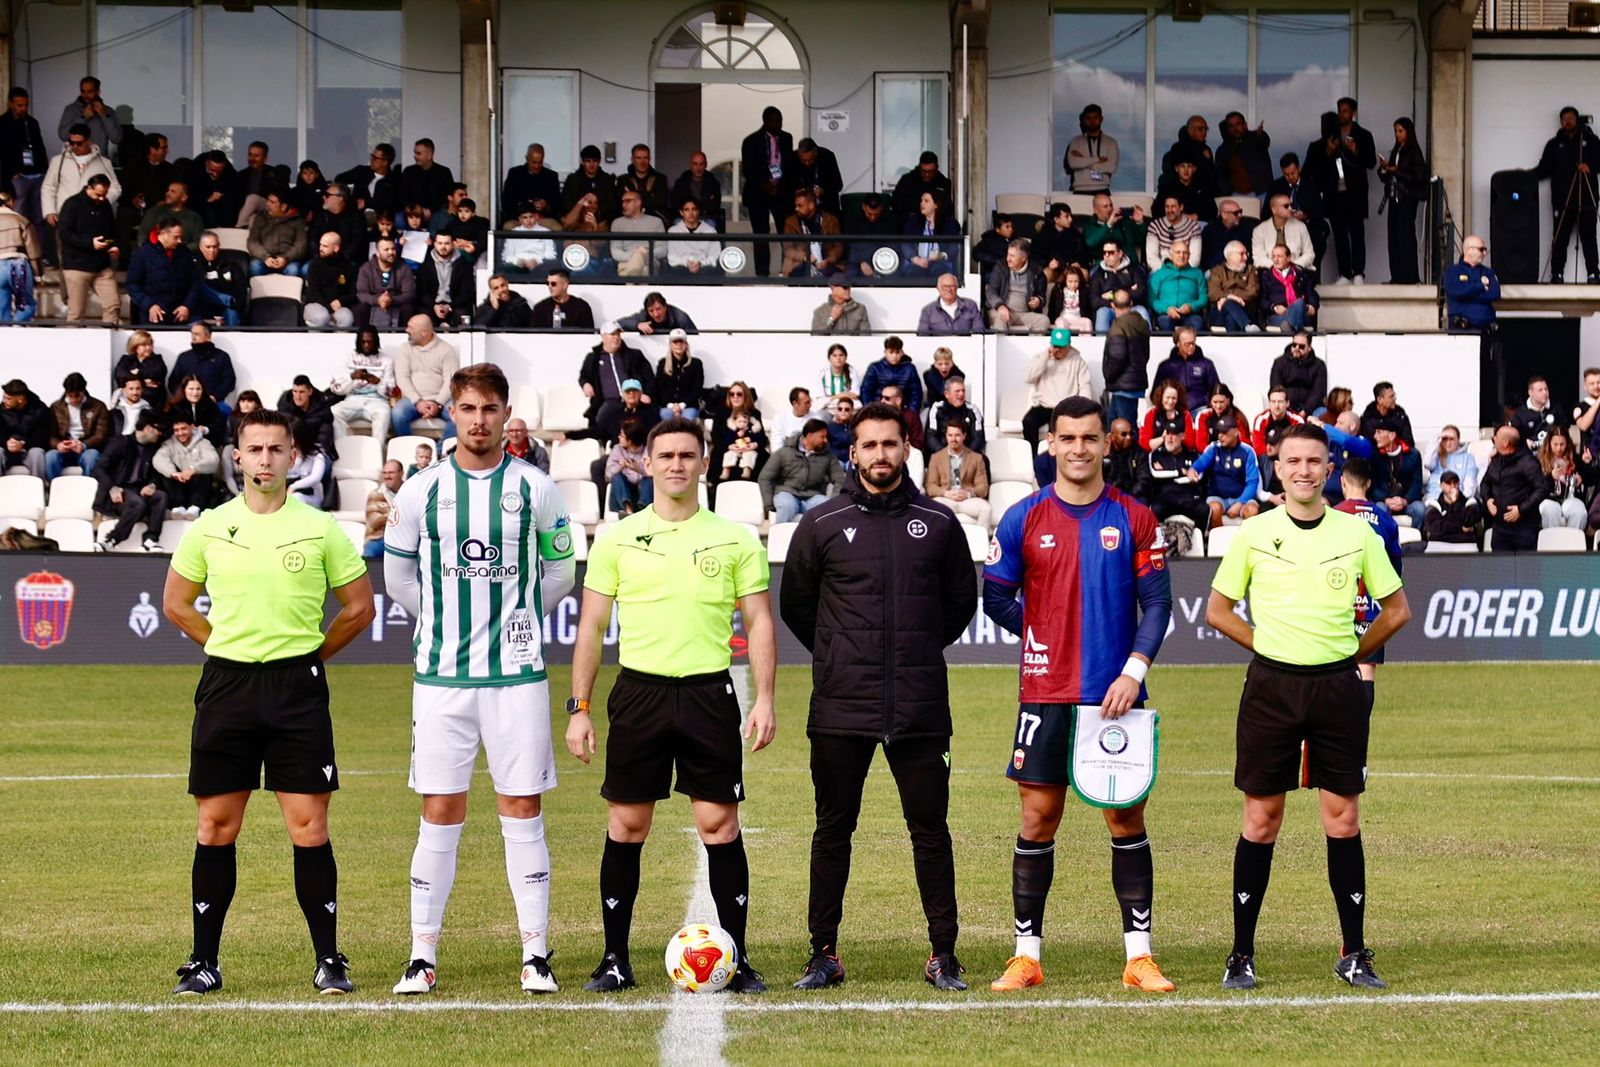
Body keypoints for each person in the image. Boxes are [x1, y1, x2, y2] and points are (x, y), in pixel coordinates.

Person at [161, 407, 374, 996]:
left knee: (308, 827)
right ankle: (205, 962)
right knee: (215, 825)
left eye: (275, 450)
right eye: (254, 450)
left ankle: (329, 960)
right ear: (237, 456)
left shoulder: (320, 527)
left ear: (292, 457)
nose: (264, 460)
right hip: (228, 687)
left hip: (296, 691)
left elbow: (360, 608)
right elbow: (177, 602)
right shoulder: (210, 526)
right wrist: (225, 646)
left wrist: (310, 657)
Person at [381, 363, 575, 996]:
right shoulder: (420, 492)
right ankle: (421, 954)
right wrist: (443, 620)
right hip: (441, 677)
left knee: (522, 806)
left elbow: (561, 572)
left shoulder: (536, 488)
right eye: (468, 408)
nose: (479, 420)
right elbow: (399, 581)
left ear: (506, 414)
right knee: (440, 809)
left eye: (490, 409)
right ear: (452, 414)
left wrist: (517, 618)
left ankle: (536, 954)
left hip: (516, 676)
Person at [566, 417, 777, 994]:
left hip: (710, 695)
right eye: (666, 456)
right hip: (639, 694)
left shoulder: (735, 538)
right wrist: (579, 706)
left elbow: (759, 622)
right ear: (648, 463)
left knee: (719, 825)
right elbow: (591, 626)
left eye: (688, 455)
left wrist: (764, 700)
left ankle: (736, 962)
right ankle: (614, 959)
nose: (677, 464)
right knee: (627, 824)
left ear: (704, 463)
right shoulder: (616, 538)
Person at [1205, 421, 1410, 992]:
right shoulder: (1253, 533)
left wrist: (1352, 653)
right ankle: (1241, 953)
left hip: (1337, 691)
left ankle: (1354, 952)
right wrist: (1265, 645)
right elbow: (1219, 610)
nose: (1302, 470)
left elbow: (1395, 611)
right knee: (1260, 820)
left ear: (1328, 469)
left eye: (1313, 462)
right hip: (1272, 689)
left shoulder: (1356, 533)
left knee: (1342, 819)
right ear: (1278, 467)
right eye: (1292, 461)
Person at [781, 401, 976, 991]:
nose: (880, 455)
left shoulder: (938, 522)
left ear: (906, 450)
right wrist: (843, 654)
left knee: (931, 832)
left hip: (919, 707)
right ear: (853, 452)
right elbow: (797, 607)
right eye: (869, 445)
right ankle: (823, 953)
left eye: (890, 444)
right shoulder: (820, 524)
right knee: (832, 830)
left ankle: (944, 954)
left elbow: (958, 605)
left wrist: (912, 650)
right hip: (841, 705)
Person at [983, 395, 1175, 995]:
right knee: (1039, 818)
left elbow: (1158, 604)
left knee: (1125, 816)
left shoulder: (1136, 518)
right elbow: (995, 595)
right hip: (1045, 694)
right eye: (1068, 439)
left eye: (1089, 438)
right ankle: (1026, 956)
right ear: (1052, 445)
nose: (1079, 449)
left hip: (1113, 699)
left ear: (1104, 443)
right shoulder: (1022, 518)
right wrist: (1040, 633)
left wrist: (1133, 672)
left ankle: (1139, 956)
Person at [1332, 455, 1404, 714]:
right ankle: (1358, 732)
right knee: (1366, 671)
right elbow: (1395, 567)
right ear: (1369, 483)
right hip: (1371, 609)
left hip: (1337, 607)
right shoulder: (1384, 520)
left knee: (1332, 672)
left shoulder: (1333, 516)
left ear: (1343, 483)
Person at [1310, 101, 1377, 284]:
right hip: (1335, 194)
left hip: (1355, 194)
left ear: (1353, 112)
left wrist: (1356, 150)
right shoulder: (1331, 135)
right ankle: (1345, 273)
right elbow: (1317, 168)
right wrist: (1328, 152)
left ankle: (1358, 273)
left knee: (1356, 234)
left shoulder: (1363, 135)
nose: (1341, 114)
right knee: (1339, 235)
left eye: (1345, 111)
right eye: (1340, 111)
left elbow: (1371, 162)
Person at [1534, 106, 1600, 283]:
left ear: (1576, 120)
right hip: (1562, 200)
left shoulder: (1592, 140)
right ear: (1561, 122)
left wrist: (1590, 167)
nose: (1568, 121)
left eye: (1571, 118)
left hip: (1587, 199)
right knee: (1560, 238)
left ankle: (1594, 274)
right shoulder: (1554, 144)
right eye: (1564, 119)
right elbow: (1543, 169)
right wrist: (1524, 176)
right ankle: (1557, 274)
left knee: (1589, 238)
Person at [91, 411, 165, 550]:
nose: (160, 433)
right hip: (117, 492)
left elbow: (158, 473)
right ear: (148, 428)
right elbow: (98, 469)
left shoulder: (154, 448)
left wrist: (152, 485)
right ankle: (111, 539)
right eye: (158, 430)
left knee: (160, 496)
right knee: (137, 503)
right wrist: (112, 488)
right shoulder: (120, 443)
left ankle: (150, 540)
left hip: (139, 491)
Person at [57, 172, 121, 323]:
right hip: (77, 265)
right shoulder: (72, 204)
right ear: (88, 188)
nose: (101, 198)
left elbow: (112, 230)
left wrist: (113, 245)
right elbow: (64, 233)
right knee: (76, 313)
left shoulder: (105, 205)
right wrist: (90, 243)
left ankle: (109, 337)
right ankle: (73, 344)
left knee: (113, 304)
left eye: (104, 195)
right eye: (98, 194)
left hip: (101, 266)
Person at [759, 419, 844, 523]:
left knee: (827, 507)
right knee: (786, 506)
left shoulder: (828, 455)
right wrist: (769, 505)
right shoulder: (785, 452)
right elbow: (765, 477)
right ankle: (780, 537)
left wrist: (834, 501)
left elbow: (839, 478)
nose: (825, 440)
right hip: (787, 493)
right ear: (810, 436)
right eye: (822, 436)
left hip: (812, 496)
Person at [741, 107, 794, 276]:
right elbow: (748, 170)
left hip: (781, 193)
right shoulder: (751, 141)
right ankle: (762, 273)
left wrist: (780, 185)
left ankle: (786, 271)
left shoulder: (787, 138)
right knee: (761, 235)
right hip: (758, 194)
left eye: (780, 120)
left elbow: (788, 166)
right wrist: (765, 184)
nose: (778, 124)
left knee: (785, 234)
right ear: (765, 121)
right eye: (774, 120)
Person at [1479, 425, 1548, 552]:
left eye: (1496, 436)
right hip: (1500, 527)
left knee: (1524, 568)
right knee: (1501, 568)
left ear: (1505, 442)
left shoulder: (1528, 463)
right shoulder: (1496, 461)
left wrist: (1521, 509)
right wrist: (1487, 500)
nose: (1493, 438)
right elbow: (1485, 484)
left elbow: (1541, 489)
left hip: (1524, 527)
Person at [579, 323, 654, 439]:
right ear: (603, 336)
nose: (616, 337)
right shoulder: (593, 358)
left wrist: (647, 394)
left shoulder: (634, 355)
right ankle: (607, 446)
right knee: (604, 415)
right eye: (612, 334)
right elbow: (583, 376)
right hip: (609, 402)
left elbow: (649, 377)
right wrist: (585, 384)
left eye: (618, 334)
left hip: (634, 399)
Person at [1377, 117, 1429, 284]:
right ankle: (1397, 276)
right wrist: (1384, 169)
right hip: (1393, 197)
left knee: (1406, 237)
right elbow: (1387, 176)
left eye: (1400, 131)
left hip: (1406, 198)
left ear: (1408, 132)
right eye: (1395, 131)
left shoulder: (1414, 150)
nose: (1397, 135)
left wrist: (1396, 171)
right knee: (1393, 238)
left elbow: (1419, 176)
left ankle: (1410, 276)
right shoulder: (1396, 149)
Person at [1022, 327, 1094, 445]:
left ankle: (1055, 460)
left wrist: (1083, 410)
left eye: (1061, 347)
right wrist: (1045, 359)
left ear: (1069, 346)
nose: (1057, 349)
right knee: (1028, 422)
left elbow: (1085, 387)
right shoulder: (1041, 358)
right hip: (1043, 405)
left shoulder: (1078, 361)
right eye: (1055, 345)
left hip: (1066, 407)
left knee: (1056, 430)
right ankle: (1033, 457)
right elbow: (1028, 378)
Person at [393, 314, 459, 439]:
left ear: (424, 332)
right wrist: (418, 401)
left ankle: (440, 453)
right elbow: (402, 378)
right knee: (397, 414)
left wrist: (438, 404)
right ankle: (412, 450)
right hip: (412, 401)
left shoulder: (446, 349)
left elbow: (450, 381)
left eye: (410, 328)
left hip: (442, 401)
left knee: (459, 416)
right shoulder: (405, 349)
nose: (407, 330)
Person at [1191, 415, 1261, 528]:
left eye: (1224, 432)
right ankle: (1218, 542)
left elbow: (1252, 483)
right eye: (1219, 432)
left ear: (1236, 432)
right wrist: (1193, 470)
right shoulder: (1213, 448)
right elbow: (1200, 464)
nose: (1220, 436)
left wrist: (1240, 503)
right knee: (1214, 509)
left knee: (1252, 510)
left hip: (1241, 497)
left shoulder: (1247, 451)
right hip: (1217, 497)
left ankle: (1246, 543)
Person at [330, 326, 395, 447]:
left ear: (376, 342)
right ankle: (343, 449)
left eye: (370, 342)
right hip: (353, 398)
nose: (366, 345)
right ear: (358, 342)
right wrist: (352, 377)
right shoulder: (348, 357)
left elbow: (391, 392)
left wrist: (378, 382)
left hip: (377, 400)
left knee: (383, 414)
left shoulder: (386, 360)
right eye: (363, 342)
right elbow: (335, 388)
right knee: (334, 412)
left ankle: (376, 455)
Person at [1267, 153, 1329, 279]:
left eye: (1293, 173)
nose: (1290, 177)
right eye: (1286, 174)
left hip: (1308, 225)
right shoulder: (1276, 186)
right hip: (1283, 228)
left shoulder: (1311, 185)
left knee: (1317, 238)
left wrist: (1305, 215)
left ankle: (1313, 280)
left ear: (1299, 168)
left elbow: (1320, 210)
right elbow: (1266, 213)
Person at [0, 88, 50, 232]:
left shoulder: (32, 122)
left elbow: (40, 147)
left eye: (26, 105)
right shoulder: (3, 123)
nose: (23, 108)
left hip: (36, 174)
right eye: (19, 105)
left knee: (38, 217)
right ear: (11, 104)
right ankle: (20, 251)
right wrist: (11, 174)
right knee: (18, 216)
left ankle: (39, 251)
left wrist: (44, 171)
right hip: (17, 176)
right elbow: (3, 153)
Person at [925, 421, 991, 526]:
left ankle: (981, 541)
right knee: (932, 506)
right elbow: (930, 486)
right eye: (950, 435)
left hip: (967, 499)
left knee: (986, 509)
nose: (953, 439)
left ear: (964, 436)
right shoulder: (936, 457)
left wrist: (968, 493)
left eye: (957, 435)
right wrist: (945, 493)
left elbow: (983, 487)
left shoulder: (976, 458)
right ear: (946, 436)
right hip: (946, 498)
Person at [154, 412, 220, 517]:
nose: (180, 433)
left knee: (205, 471)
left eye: (183, 428)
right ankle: (177, 506)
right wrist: (174, 473)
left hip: (197, 487)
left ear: (192, 427)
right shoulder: (169, 444)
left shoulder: (203, 443)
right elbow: (158, 459)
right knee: (167, 472)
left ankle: (195, 507)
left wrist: (194, 469)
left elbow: (213, 459)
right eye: (176, 430)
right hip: (178, 486)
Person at [45, 371, 109, 480]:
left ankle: (89, 491)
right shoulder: (56, 407)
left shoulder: (98, 406)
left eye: (77, 396)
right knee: (51, 456)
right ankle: (54, 489)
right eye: (70, 396)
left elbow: (100, 434)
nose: (74, 399)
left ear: (83, 391)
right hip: (64, 447)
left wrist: (84, 445)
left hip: (86, 448)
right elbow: (49, 433)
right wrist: (58, 445)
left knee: (92, 457)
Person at [167, 323, 236, 412]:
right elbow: (173, 381)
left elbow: (229, 380)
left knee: (226, 412)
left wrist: (215, 396)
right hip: (186, 404)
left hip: (213, 403)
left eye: (197, 334)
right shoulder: (184, 357)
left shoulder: (221, 357)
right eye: (192, 334)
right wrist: (183, 397)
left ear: (208, 336)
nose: (193, 337)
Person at [1150, 327, 1219, 414]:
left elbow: (1216, 390)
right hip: (1173, 409)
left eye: (1193, 343)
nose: (1191, 346)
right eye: (1187, 344)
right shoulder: (1166, 366)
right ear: (1178, 344)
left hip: (1200, 408)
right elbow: (1155, 393)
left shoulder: (1206, 364)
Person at [985, 239, 1049, 332]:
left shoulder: (1036, 272)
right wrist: (1000, 306)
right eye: (1008, 254)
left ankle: (1030, 346)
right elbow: (991, 292)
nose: (1008, 259)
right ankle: (1003, 347)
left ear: (1023, 257)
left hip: (1025, 314)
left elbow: (1041, 296)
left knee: (1044, 321)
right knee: (999, 319)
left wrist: (1038, 301)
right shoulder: (1000, 267)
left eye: (1012, 256)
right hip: (1000, 311)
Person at [356, 235, 417, 329]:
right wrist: (378, 300)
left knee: (408, 308)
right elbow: (361, 293)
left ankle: (402, 336)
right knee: (361, 308)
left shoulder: (404, 268)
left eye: (393, 249)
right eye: (386, 249)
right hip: (374, 303)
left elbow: (409, 294)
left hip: (397, 303)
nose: (391, 252)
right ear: (377, 252)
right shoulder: (366, 269)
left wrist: (392, 300)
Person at [783, 188, 846, 277]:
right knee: (798, 273)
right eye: (796, 205)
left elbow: (838, 246)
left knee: (833, 274)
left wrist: (828, 260)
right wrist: (805, 257)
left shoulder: (830, 221)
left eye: (800, 205)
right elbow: (788, 248)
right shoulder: (791, 222)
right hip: (800, 263)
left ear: (811, 205)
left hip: (827, 264)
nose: (796, 208)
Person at [1087, 241, 1149, 332]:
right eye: (1104, 253)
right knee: (1102, 313)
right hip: (1110, 308)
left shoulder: (1134, 269)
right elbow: (1094, 301)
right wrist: (1128, 292)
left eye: (1111, 252)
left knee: (1142, 311)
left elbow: (1141, 294)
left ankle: (1149, 345)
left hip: (1131, 307)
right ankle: (1102, 345)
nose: (1106, 256)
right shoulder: (1098, 274)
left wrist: (1111, 296)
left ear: (1120, 253)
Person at [0, 188, 41, 322]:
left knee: (2, 308)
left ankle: (5, 335)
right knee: (27, 305)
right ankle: (17, 328)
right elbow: (33, 251)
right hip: (17, 265)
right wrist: (38, 275)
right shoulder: (22, 220)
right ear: (11, 202)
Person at [1258, 244, 1320, 332]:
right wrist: (1274, 307)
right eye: (1273, 256)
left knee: (1299, 303)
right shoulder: (1267, 276)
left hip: (1301, 312)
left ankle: (1289, 326)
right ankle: (1292, 328)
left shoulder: (1300, 274)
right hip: (1278, 317)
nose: (1276, 260)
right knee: (1293, 318)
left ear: (1288, 258)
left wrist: (1313, 306)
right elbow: (1261, 299)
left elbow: (1312, 294)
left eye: (1279, 256)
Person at [416, 232, 473, 327]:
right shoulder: (425, 263)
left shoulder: (463, 263)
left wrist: (450, 306)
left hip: (455, 305)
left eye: (447, 243)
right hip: (432, 305)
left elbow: (466, 291)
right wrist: (434, 306)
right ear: (434, 244)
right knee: (423, 318)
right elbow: (421, 292)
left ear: (453, 244)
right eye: (440, 243)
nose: (443, 247)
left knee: (463, 315)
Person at [1537, 430, 1591, 529]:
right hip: (1548, 499)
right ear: (1549, 443)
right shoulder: (1540, 460)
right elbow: (1536, 486)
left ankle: (1574, 542)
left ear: (1567, 443)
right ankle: (1552, 542)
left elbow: (1591, 480)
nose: (1559, 448)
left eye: (1562, 444)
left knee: (1579, 512)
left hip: (1572, 498)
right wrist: (1551, 477)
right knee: (1549, 510)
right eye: (1555, 444)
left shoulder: (1575, 458)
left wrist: (1585, 467)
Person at [301, 232, 356, 330]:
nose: (320, 248)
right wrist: (329, 307)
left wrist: (341, 301)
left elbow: (353, 292)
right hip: (316, 304)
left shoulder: (348, 267)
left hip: (338, 307)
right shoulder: (314, 265)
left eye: (325, 246)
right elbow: (312, 293)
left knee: (346, 318)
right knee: (322, 317)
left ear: (336, 248)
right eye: (320, 245)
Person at [1148, 241, 1206, 332]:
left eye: (1185, 253)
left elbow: (1204, 298)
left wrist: (1191, 307)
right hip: (1166, 314)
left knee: (1197, 323)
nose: (1181, 256)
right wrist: (1167, 309)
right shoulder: (1159, 274)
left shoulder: (1197, 273)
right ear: (1171, 255)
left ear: (1189, 255)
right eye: (1178, 252)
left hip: (1191, 314)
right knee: (1165, 323)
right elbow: (1151, 299)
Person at [193, 230, 248, 326]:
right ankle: (228, 300)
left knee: (233, 312)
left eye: (215, 247)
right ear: (200, 247)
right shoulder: (192, 265)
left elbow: (241, 287)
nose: (212, 250)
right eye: (208, 247)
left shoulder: (230, 264)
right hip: (201, 306)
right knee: (198, 286)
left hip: (226, 308)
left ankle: (233, 338)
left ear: (219, 246)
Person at [1444, 235, 1499, 330]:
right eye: (1481, 249)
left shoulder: (1488, 272)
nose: (1485, 253)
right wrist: (1481, 286)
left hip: (1486, 327)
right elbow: (1458, 292)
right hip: (1462, 327)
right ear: (1469, 250)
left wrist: (1467, 294)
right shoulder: (1452, 271)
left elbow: (1494, 294)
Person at [610, 188, 666, 277]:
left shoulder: (656, 221)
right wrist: (636, 254)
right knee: (644, 272)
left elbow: (662, 249)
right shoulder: (617, 223)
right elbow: (615, 251)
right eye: (623, 202)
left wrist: (645, 254)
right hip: (626, 263)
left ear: (638, 202)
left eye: (628, 201)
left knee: (640, 269)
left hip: (649, 262)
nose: (624, 205)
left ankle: (630, 284)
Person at [1250, 194, 1316, 270]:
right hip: (1270, 274)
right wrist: (1277, 267)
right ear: (1274, 209)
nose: (1291, 208)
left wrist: (1292, 267)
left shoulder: (1301, 226)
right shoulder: (1259, 230)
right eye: (1286, 206)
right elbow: (1258, 258)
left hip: (1297, 271)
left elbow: (1310, 254)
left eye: (1291, 205)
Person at [1269, 332, 1327, 417]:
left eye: (1301, 346)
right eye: (1294, 345)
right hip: (1286, 407)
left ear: (1309, 348)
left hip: (1311, 409)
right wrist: (1288, 409)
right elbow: (1276, 388)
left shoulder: (1319, 365)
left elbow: (1318, 393)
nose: (1296, 348)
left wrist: (1305, 411)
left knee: (1323, 413)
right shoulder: (1280, 363)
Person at [1208, 241, 1260, 334]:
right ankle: (1246, 326)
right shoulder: (1217, 271)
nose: (1246, 257)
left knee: (1231, 317)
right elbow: (1213, 293)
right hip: (1220, 313)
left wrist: (1226, 297)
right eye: (1241, 254)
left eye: (1246, 253)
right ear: (1230, 256)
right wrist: (1230, 297)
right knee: (1229, 306)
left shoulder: (1251, 270)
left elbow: (1252, 292)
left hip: (1245, 309)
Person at [605, 418, 654, 516]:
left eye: (622, 435)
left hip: (642, 495)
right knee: (617, 477)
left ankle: (644, 510)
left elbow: (655, 473)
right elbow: (607, 476)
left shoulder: (648, 450)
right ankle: (628, 511)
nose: (619, 437)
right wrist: (620, 466)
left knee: (648, 479)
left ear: (630, 440)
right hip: (620, 501)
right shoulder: (617, 449)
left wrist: (638, 469)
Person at [1216, 112, 1272, 196]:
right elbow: (1220, 175)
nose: (1235, 128)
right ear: (1227, 129)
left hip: (1261, 193)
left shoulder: (1255, 138)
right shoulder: (1223, 150)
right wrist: (1228, 192)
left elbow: (1264, 142)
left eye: (1238, 124)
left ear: (1245, 125)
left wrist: (1261, 135)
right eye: (1231, 126)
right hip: (1236, 195)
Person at [1065, 104, 1119, 193]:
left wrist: (1084, 161)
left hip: (1102, 189)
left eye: (1095, 118)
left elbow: (1111, 167)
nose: (1092, 121)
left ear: (1101, 119)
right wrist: (1097, 159)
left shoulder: (1111, 142)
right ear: (1084, 120)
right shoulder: (1076, 141)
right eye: (1088, 118)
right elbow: (1073, 163)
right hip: (1080, 189)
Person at [664, 196, 722, 276]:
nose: (691, 213)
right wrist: (687, 263)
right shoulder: (673, 231)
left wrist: (701, 263)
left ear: (698, 211)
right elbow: (672, 257)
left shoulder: (710, 231)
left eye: (694, 209)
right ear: (681, 212)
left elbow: (715, 256)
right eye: (686, 210)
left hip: (704, 269)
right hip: (680, 270)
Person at [861, 336, 922, 410]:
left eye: (897, 352)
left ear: (902, 352)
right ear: (885, 352)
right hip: (879, 409)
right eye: (891, 352)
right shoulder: (875, 368)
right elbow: (866, 391)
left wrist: (911, 413)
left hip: (902, 410)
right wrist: (871, 410)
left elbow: (916, 394)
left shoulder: (910, 368)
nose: (894, 356)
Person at [503, 143, 561, 221]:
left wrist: (546, 206)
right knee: (508, 228)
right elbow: (506, 202)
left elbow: (557, 204)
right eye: (533, 162)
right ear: (527, 159)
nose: (536, 166)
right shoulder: (515, 174)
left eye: (539, 162)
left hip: (543, 219)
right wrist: (527, 205)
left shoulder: (551, 176)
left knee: (557, 229)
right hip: (518, 219)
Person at [655, 330, 703, 421]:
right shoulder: (663, 364)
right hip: (667, 406)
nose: (678, 345)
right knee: (664, 415)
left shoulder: (696, 364)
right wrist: (671, 406)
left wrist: (682, 405)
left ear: (686, 344)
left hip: (689, 405)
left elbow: (697, 388)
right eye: (675, 342)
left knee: (688, 418)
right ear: (671, 345)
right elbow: (660, 388)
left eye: (681, 341)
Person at [399, 138, 455, 218]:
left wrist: (430, 211)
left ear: (429, 155)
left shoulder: (443, 172)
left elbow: (446, 198)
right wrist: (415, 210)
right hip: (411, 213)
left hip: (436, 213)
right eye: (414, 153)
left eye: (418, 153)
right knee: (399, 219)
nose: (415, 156)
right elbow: (402, 196)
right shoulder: (409, 171)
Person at [892, 151, 952, 225]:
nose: (927, 174)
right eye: (924, 171)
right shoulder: (907, 181)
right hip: (910, 225)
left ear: (936, 168)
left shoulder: (943, 183)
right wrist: (908, 215)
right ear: (920, 167)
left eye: (930, 171)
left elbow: (947, 206)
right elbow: (897, 201)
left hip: (936, 225)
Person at [561, 144, 618, 222]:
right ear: (583, 162)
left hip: (600, 221)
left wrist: (596, 210)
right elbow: (566, 205)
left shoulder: (607, 179)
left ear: (599, 161)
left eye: (595, 161)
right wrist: (583, 210)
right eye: (588, 161)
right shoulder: (573, 179)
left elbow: (612, 206)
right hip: (577, 220)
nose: (592, 165)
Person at [1144, 195, 1203, 268]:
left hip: (1186, 272)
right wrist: (1168, 272)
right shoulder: (1155, 226)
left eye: (1173, 206)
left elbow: (1195, 259)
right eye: (1167, 206)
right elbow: (1152, 258)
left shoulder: (1193, 227)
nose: (1169, 210)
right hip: (1161, 272)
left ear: (1181, 207)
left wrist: (1181, 272)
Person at [1424, 425, 1478, 503]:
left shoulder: (1468, 457)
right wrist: (1438, 436)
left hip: (1459, 498)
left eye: (1451, 439)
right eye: (1445, 439)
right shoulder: (1436, 456)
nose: (1448, 443)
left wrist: (1460, 499)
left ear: (1458, 440)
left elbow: (1470, 483)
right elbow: (1427, 464)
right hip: (1435, 498)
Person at [1424, 471, 1481, 544]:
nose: (1453, 486)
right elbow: (1434, 528)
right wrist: (1461, 528)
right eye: (1449, 483)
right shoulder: (1434, 504)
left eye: (1455, 482)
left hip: (1465, 544)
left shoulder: (1470, 501)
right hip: (1440, 545)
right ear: (1441, 486)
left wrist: (1455, 503)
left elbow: (1470, 520)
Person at [918, 272, 985, 335]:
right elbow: (922, 336)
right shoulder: (928, 311)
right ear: (938, 288)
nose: (949, 289)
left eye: (952, 286)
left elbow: (979, 332)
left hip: (965, 346)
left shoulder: (971, 306)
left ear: (957, 287)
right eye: (945, 286)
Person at [1511, 375, 1564, 453]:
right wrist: (1525, 443)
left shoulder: (1556, 409)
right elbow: (1514, 437)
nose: (1545, 392)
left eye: (1546, 389)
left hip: (1553, 453)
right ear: (1530, 392)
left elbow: (1564, 430)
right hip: (1529, 454)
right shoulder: (1520, 414)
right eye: (1540, 390)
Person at [1251, 386, 1306, 457]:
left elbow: (1302, 444)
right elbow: (1258, 448)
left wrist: (1279, 451)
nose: (1276, 406)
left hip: (1291, 456)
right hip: (1268, 456)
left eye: (1280, 402)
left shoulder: (1297, 420)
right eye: (1273, 401)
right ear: (1269, 403)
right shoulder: (1260, 419)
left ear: (1287, 403)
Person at [1358, 382, 1415, 449]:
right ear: (1379, 399)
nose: (1395, 398)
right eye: (1391, 397)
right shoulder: (1367, 419)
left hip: (1397, 454)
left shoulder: (1400, 416)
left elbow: (1408, 442)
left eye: (1394, 395)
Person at [670, 150, 722, 222]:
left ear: (706, 164)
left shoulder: (713, 183)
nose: (698, 167)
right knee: (676, 225)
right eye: (695, 164)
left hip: (705, 218)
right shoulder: (681, 183)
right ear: (690, 165)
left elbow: (714, 207)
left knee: (711, 226)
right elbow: (676, 205)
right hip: (684, 218)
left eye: (701, 164)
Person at [619, 290, 697, 336]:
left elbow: (695, 338)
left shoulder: (681, 318)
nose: (656, 314)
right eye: (651, 311)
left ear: (665, 307)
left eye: (658, 309)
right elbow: (619, 323)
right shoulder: (644, 315)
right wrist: (637, 325)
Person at [1201, 200, 1251, 271]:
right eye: (1236, 213)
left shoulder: (1245, 229)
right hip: (1215, 271)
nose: (1240, 215)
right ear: (1224, 215)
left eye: (1240, 211)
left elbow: (1249, 255)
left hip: (1239, 270)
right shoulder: (1209, 230)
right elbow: (1205, 258)